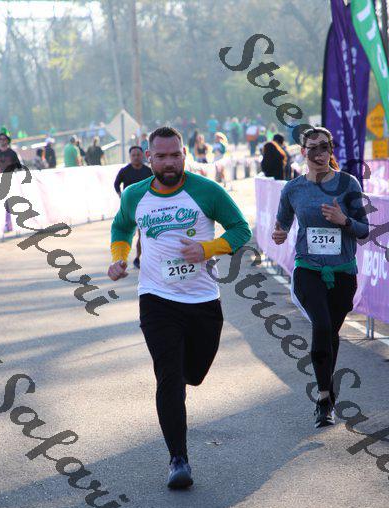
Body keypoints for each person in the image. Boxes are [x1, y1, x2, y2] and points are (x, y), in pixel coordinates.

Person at [108, 126, 251, 488]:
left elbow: (240, 229)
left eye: (175, 155)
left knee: (194, 373)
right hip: (156, 299)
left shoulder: (207, 191)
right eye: (161, 156)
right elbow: (121, 228)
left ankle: (182, 379)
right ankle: (178, 459)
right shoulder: (135, 195)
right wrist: (119, 258)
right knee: (169, 378)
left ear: (184, 155)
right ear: (149, 158)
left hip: (202, 300)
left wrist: (208, 249)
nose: (169, 163)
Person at [272, 126, 369, 428]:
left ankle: (326, 394)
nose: (318, 153)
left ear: (331, 150)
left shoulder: (348, 184)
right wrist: (278, 234)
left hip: (342, 273)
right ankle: (323, 398)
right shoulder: (293, 189)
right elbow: (282, 224)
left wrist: (343, 220)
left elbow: (364, 231)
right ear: (303, 152)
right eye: (312, 148)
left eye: (324, 147)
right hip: (308, 269)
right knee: (322, 325)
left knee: (330, 333)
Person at [114, 146, 153, 269]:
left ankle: (137, 257)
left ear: (143, 156)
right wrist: (120, 195)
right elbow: (116, 184)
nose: (136, 157)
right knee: (127, 234)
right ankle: (121, 258)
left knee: (142, 234)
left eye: (138, 155)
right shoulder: (124, 171)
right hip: (129, 208)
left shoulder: (148, 171)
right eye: (133, 155)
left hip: (145, 208)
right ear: (130, 157)